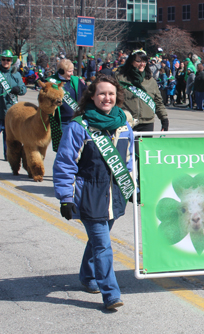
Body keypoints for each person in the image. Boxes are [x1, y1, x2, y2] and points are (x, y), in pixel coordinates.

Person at [53, 75, 134, 310]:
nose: (106, 98)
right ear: (92, 96)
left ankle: (87, 277)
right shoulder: (79, 126)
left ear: (116, 96)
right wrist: (65, 198)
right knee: (103, 245)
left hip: (114, 195)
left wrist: (132, 189)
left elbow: (128, 162)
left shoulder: (123, 125)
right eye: (101, 93)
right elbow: (65, 163)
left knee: (98, 241)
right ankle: (111, 293)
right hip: (89, 194)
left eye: (110, 93)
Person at [115, 49, 169, 132]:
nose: (142, 64)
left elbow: (158, 102)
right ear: (131, 61)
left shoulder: (151, 80)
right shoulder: (120, 78)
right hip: (126, 122)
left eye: (144, 61)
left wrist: (164, 119)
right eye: (138, 61)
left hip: (147, 123)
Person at [45, 59, 87, 151]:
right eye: (69, 71)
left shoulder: (76, 81)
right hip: (61, 121)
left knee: (78, 147)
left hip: (76, 119)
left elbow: (87, 93)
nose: (71, 73)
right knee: (63, 148)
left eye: (72, 71)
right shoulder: (50, 82)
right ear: (61, 71)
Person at [0, 50, 27, 160]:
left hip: (10, 112)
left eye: (8, 60)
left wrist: (18, 89)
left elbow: (24, 89)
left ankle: (9, 156)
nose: (5, 61)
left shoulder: (16, 74)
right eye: (3, 59)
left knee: (10, 137)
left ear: (11, 61)